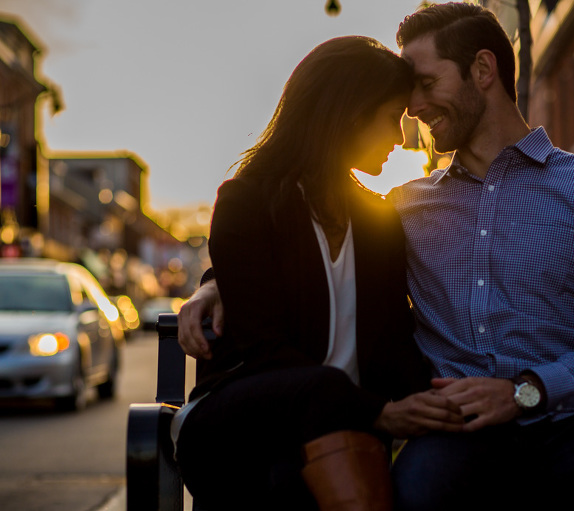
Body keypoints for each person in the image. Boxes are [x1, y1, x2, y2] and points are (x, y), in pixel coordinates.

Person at [179, 4, 574, 511]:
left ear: (483, 70)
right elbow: (289, 244)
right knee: (419, 495)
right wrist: (216, 283)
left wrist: (523, 394)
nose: (414, 109)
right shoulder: (401, 210)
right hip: (456, 431)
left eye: (425, 85)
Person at [171, 35, 465, 511]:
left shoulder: (378, 218)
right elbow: (265, 351)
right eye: (392, 117)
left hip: (342, 432)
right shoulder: (247, 203)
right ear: (349, 112)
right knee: (319, 397)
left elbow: (391, 335)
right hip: (243, 425)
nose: (401, 139)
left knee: (298, 478)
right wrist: (382, 413)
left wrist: (435, 400)